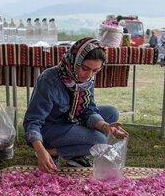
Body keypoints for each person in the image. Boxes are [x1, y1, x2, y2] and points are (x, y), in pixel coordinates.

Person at [23, 38, 129, 172]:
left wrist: (105, 126)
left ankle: (58, 152)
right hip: (50, 128)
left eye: (95, 71)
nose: (89, 75)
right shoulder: (49, 79)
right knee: (100, 140)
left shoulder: (87, 78)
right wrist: (39, 149)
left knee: (111, 113)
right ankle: (48, 151)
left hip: (71, 120)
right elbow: (33, 120)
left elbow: (88, 109)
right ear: (75, 61)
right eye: (85, 68)